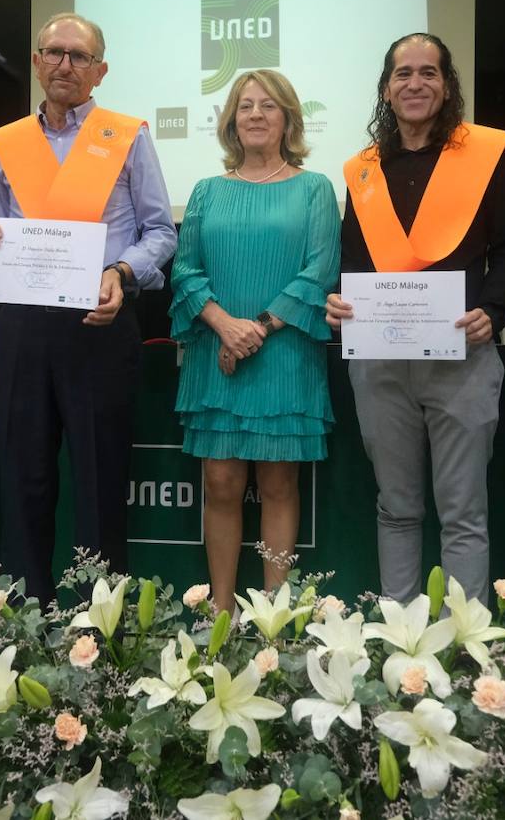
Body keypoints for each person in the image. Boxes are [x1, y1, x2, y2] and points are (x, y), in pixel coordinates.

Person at [0, 12, 177, 604]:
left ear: (100, 71)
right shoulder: (10, 145)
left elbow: (160, 231)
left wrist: (122, 272)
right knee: (24, 477)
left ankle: (97, 624)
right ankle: (28, 614)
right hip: (24, 327)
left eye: (79, 57)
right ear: (35, 62)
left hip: (100, 323)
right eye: (53, 52)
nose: (64, 64)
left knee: (99, 480)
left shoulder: (126, 136)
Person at [326, 33, 505, 605]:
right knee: (396, 508)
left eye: (429, 73)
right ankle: (402, 642)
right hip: (381, 361)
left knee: (463, 512)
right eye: (403, 74)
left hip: (462, 356)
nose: (415, 83)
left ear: (446, 85)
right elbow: (352, 259)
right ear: (387, 89)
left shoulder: (483, 156)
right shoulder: (364, 170)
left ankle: (466, 651)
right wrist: (339, 300)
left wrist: (495, 309)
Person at [170, 70, 340, 613]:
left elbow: (319, 272)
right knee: (219, 482)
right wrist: (224, 325)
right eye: (245, 106)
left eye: (268, 106)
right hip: (216, 354)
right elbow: (185, 272)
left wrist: (256, 329)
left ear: (288, 117)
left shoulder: (314, 188)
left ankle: (272, 615)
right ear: (231, 121)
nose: (256, 115)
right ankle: (220, 612)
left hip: (284, 353)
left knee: (278, 482)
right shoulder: (205, 192)